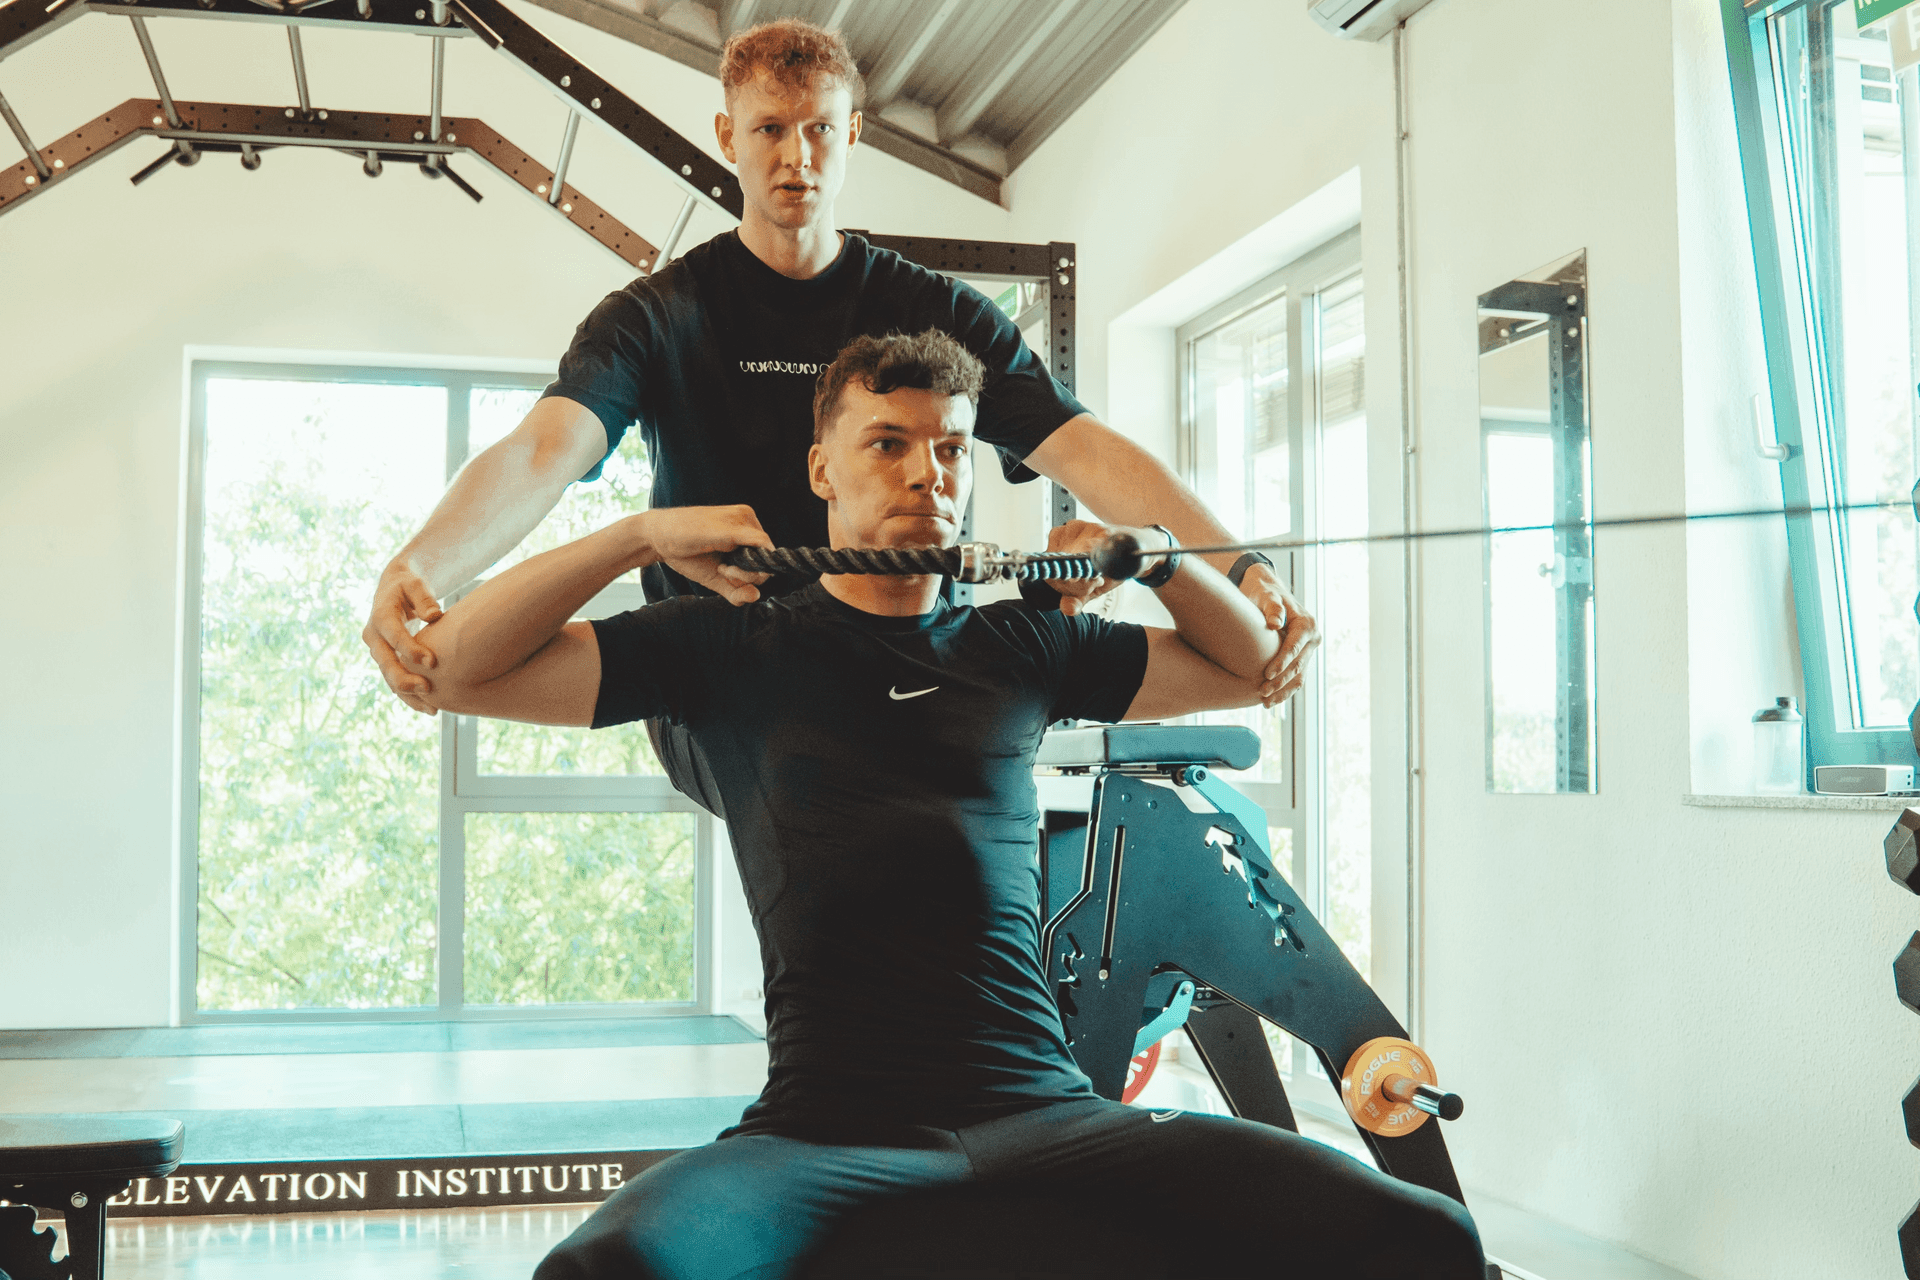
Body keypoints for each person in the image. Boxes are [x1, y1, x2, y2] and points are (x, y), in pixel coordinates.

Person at [400, 331, 1484, 1280]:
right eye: (890, 442)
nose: (930, 471)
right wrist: (633, 539)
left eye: (954, 447)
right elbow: (452, 664)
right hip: (823, 1132)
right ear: (821, 466)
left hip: (1047, 1111)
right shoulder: (725, 645)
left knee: (1423, 1235)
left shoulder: (1018, 641)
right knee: (600, 1268)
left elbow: (1249, 666)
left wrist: (1157, 557)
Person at [362, 17, 1319, 767]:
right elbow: (542, 451)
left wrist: (1234, 566)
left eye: (820, 131)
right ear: (726, 134)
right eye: (771, 130)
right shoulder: (658, 314)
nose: (796, 159)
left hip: (900, 643)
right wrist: (426, 570)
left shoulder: (937, 312)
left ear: (853, 132)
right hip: (729, 669)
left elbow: (1085, 449)